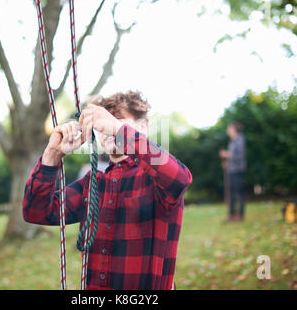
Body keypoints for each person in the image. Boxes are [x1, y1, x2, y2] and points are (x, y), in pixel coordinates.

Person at [22, 91, 192, 290]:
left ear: (142, 127)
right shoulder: (92, 184)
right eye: (102, 124)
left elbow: (180, 179)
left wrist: (119, 130)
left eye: (117, 120)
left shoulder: (156, 178)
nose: (107, 129)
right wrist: (52, 155)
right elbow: (36, 211)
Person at [219, 121, 246, 222]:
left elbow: (239, 156)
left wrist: (227, 155)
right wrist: (227, 163)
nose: (228, 131)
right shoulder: (232, 141)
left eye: (229, 128)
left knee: (238, 192)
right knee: (231, 193)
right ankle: (232, 215)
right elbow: (233, 157)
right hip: (231, 170)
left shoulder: (240, 140)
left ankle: (240, 215)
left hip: (238, 170)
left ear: (234, 129)